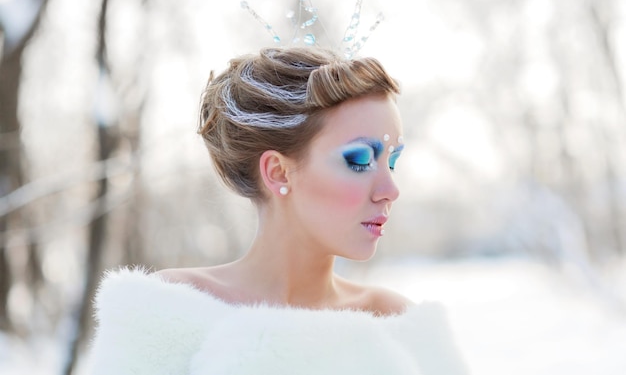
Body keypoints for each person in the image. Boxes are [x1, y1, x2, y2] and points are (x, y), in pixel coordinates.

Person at [87, 47, 469, 375]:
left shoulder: (400, 323)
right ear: (278, 172)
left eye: (392, 161)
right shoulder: (166, 314)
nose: (390, 190)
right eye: (360, 160)